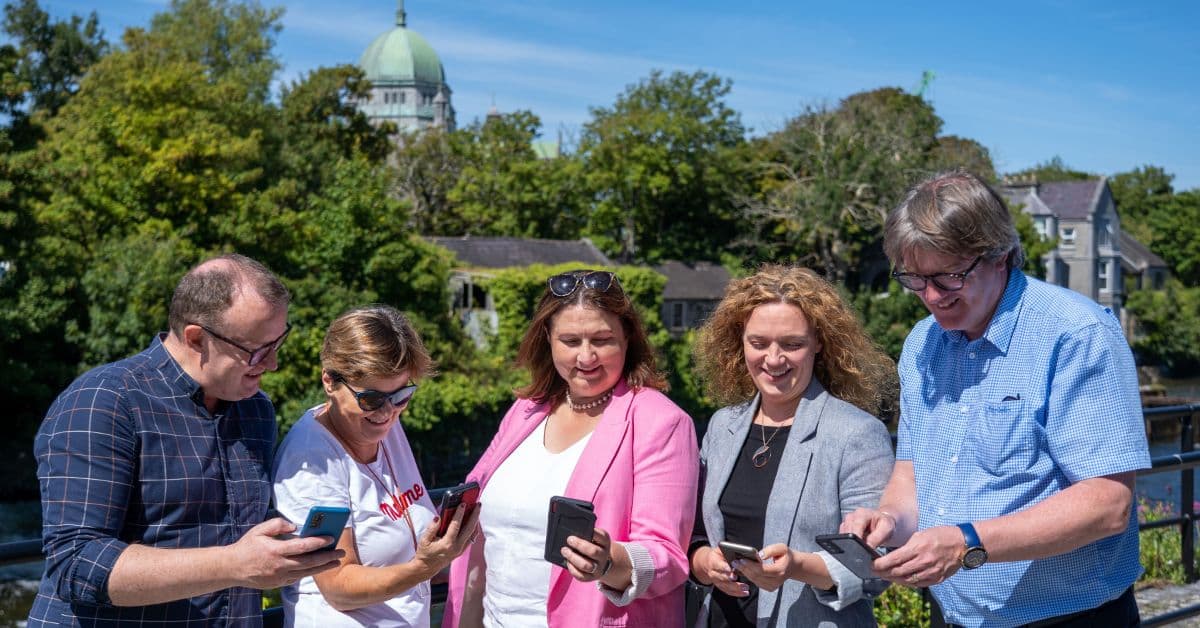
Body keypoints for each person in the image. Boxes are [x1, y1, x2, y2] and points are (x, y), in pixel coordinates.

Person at [841, 170, 1150, 627]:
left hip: (1073, 618)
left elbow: (1107, 505)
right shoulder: (922, 344)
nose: (931, 296)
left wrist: (966, 543)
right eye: (915, 278)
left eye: (948, 277)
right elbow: (912, 471)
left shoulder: (1075, 334)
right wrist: (888, 521)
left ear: (1000, 255)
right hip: (961, 616)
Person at [30, 254, 341, 627]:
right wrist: (235, 564)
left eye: (278, 342)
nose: (273, 364)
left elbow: (230, 531)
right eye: (257, 351)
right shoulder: (104, 400)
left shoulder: (256, 410)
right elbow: (77, 564)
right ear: (197, 339)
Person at [443, 269, 700, 627]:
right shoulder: (525, 411)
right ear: (547, 339)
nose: (586, 356)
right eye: (570, 340)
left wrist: (610, 562)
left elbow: (668, 557)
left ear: (627, 338)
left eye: (602, 339)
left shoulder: (662, 423)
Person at [688, 264, 896, 627]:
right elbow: (694, 535)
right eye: (759, 343)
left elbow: (876, 565)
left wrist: (798, 567)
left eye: (792, 344)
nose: (773, 359)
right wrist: (704, 563)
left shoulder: (857, 434)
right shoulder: (723, 427)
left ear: (819, 342)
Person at [272, 305, 478, 626]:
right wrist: (423, 567)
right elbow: (338, 586)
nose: (388, 412)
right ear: (329, 381)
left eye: (402, 396)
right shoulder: (312, 462)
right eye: (371, 399)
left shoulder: (384, 425)